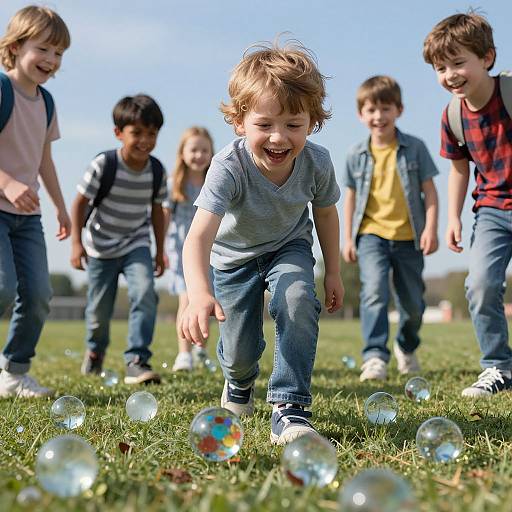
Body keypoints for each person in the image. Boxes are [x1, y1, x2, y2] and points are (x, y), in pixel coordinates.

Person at [179, 42, 344, 445]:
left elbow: (325, 213)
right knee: (239, 350)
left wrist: (334, 272)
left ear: (312, 122)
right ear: (239, 122)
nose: (278, 137)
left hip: (288, 246)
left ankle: (290, 407)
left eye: (293, 124)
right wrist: (199, 294)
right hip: (232, 258)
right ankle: (238, 383)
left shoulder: (317, 163)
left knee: (297, 298)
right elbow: (198, 236)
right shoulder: (228, 167)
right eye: (264, 124)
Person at [424, 13, 512, 397]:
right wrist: (453, 218)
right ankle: (498, 367)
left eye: (459, 63)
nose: (450, 74)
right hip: (492, 210)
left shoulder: (509, 93)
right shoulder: (453, 115)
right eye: (441, 67)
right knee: (479, 285)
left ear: (487, 58)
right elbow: (459, 169)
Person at [342, 76, 439, 382]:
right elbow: (351, 198)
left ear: (399, 110)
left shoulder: (415, 148)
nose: (378, 116)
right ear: (361, 114)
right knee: (374, 293)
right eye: (371, 109)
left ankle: (406, 347)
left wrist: (431, 228)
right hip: (371, 235)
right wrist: (348, 237)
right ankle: (374, 357)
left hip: (410, 236)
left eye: (386, 108)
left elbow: (430, 192)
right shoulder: (355, 154)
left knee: (413, 304)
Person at [70, 94, 167, 385]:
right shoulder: (104, 164)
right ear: (118, 133)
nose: (145, 141)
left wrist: (160, 251)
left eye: (152, 134)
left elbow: (158, 211)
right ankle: (96, 352)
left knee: (145, 293)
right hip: (100, 246)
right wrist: (76, 243)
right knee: (99, 310)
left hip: (136, 243)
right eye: (136, 133)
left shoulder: (156, 170)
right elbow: (79, 203)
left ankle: (137, 360)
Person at [0, 6, 71, 398]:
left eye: (59, 53)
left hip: (27, 217)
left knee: (40, 293)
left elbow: (44, 160)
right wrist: (7, 182)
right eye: (43, 48)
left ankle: (13, 372)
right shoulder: (1, 89)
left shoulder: (46, 103)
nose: (51, 60)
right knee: (2, 288)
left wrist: (61, 207)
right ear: (15, 45)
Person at [163, 126, 214, 371]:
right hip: (181, 252)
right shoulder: (174, 184)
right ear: (182, 153)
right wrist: (161, 249)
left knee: (207, 300)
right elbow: (163, 218)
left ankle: (201, 349)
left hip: (211, 252)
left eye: (205, 150)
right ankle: (184, 354)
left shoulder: (214, 181)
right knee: (186, 300)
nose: (199, 155)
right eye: (193, 149)